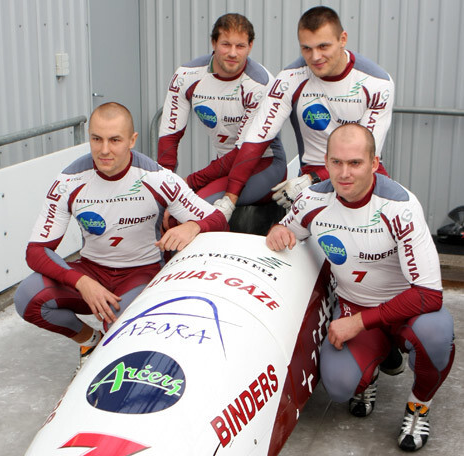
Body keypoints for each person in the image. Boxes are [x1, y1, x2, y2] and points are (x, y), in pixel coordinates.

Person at [266, 124, 454, 451]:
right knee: (339, 386)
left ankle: (418, 405)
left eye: (355, 163)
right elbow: (284, 230)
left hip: (409, 310)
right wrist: (276, 233)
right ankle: (374, 369)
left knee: (436, 336)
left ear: (374, 162)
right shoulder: (312, 198)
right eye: (336, 162)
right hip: (356, 304)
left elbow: (429, 294)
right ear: (324, 162)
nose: (344, 173)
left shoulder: (400, 206)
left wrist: (357, 323)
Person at [15, 102, 228, 371]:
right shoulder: (69, 180)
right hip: (92, 271)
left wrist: (192, 227)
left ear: (132, 140)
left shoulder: (157, 178)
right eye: (97, 139)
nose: (104, 150)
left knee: (119, 325)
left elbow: (218, 220)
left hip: (141, 273)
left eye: (115, 140)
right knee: (27, 297)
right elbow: (36, 251)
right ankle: (90, 342)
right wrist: (81, 281)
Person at [207, 6, 394, 210]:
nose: (315, 57)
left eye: (323, 46)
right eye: (306, 48)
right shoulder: (290, 79)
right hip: (310, 181)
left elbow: (365, 156)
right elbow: (255, 141)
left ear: (343, 39)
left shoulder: (378, 83)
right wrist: (229, 199)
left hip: (360, 175)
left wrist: (311, 179)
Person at [158, 13, 286, 221]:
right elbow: (169, 138)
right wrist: (165, 186)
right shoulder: (187, 76)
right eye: (226, 44)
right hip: (223, 166)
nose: (233, 53)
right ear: (214, 42)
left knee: (186, 212)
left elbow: (244, 153)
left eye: (240, 46)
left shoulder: (260, 84)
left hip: (263, 164)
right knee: (166, 208)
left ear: (251, 46)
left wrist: (191, 181)